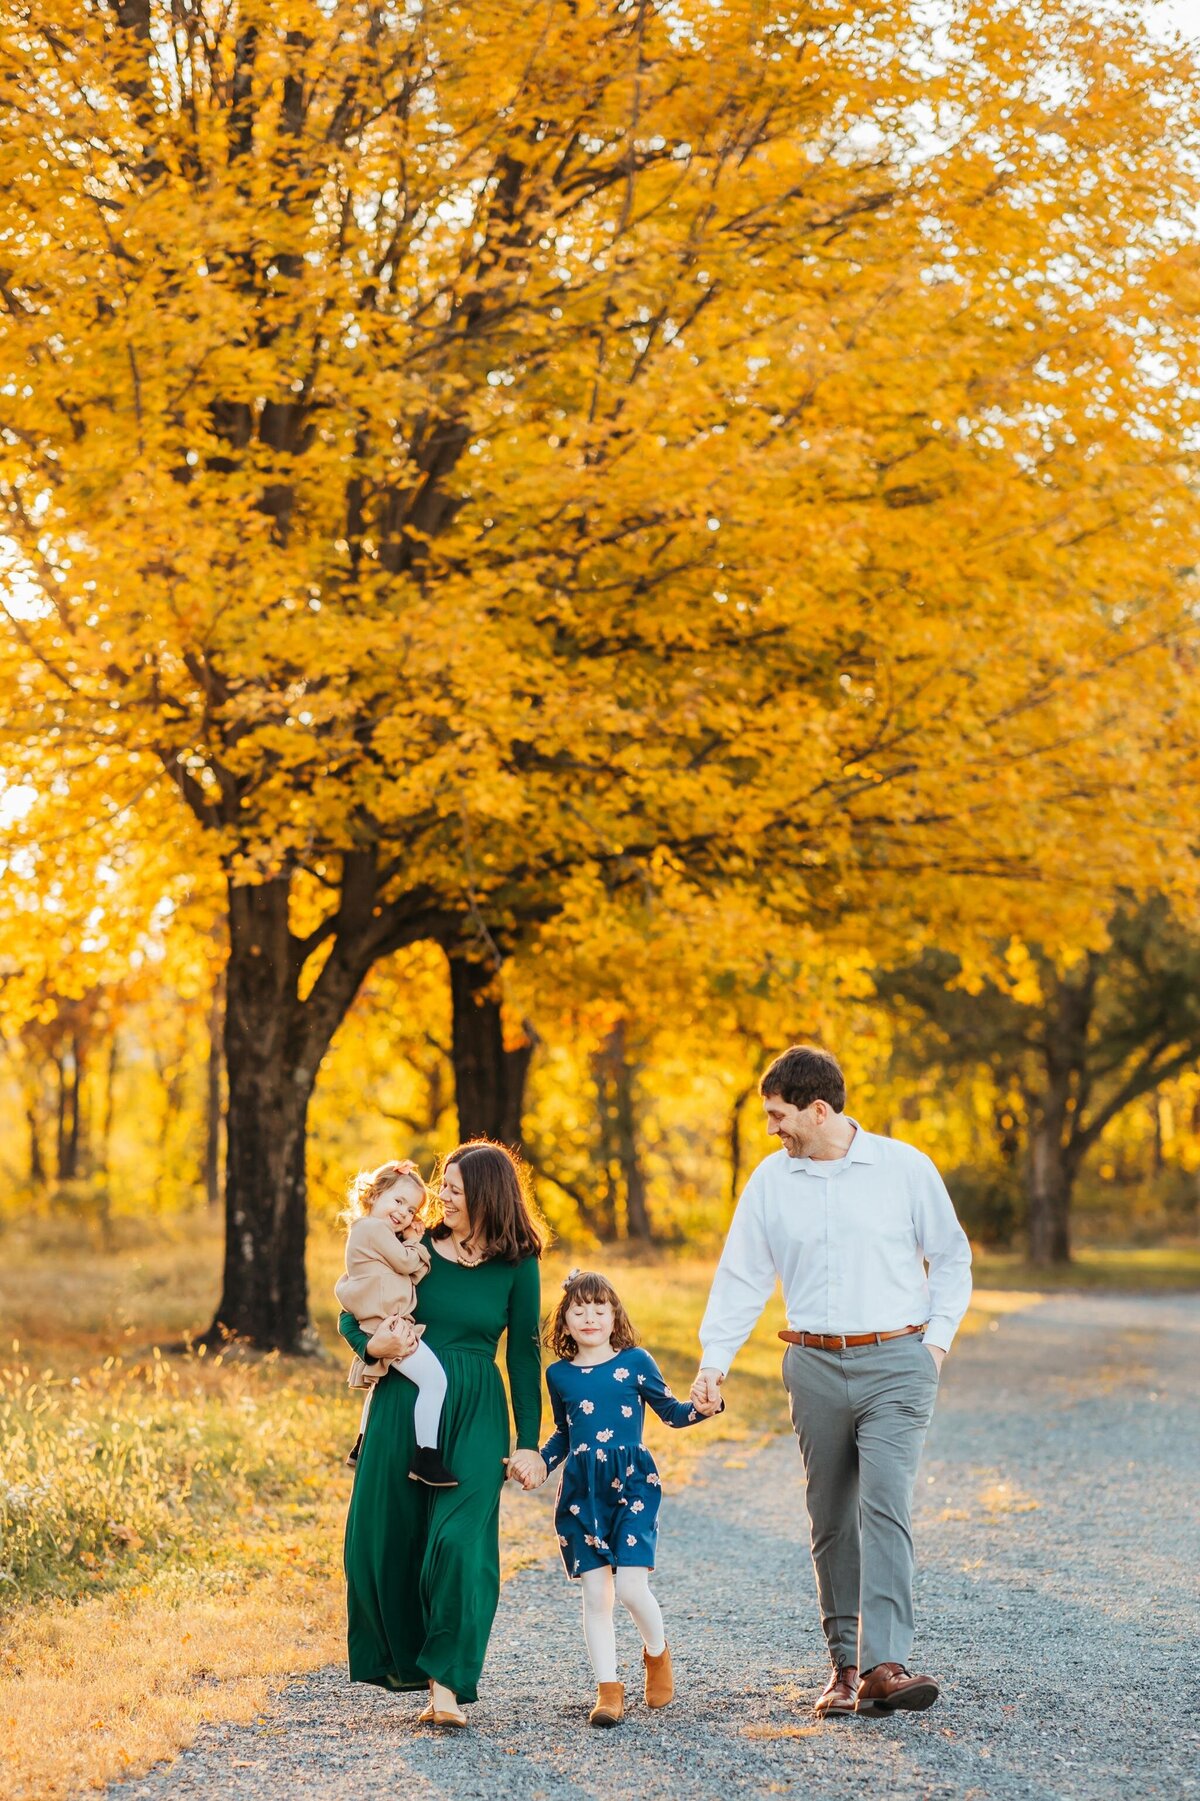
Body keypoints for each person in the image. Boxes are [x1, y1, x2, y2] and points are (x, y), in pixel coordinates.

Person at [691, 1045, 972, 1720]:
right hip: (812, 1365)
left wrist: (933, 1346)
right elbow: (743, 1276)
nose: (771, 1128)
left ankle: (886, 1663)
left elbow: (952, 1256)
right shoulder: (771, 1180)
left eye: (778, 1114)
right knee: (830, 1518)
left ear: (820, 1110)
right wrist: (713, 1359)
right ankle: (846, 1667)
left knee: (885, 1506)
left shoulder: (904, 1168)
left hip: (897, 1361)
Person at [339, 1140, 546, 1728]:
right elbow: (352, 1304)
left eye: (453, 1188)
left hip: (478, 1408)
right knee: (383, 1541)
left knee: (460, 1544)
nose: (442, 1197)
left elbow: (525, 1356)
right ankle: (414, 1671)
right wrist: (368, 1345)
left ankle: (447, 1685)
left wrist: (528, 1440)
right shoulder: (414, 1243)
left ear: (486, 1194)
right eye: (442, 1186)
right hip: (404, 1400)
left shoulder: (518, 1261)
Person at [528, 1268, 721, 1728]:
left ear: (615, 1315)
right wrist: (539, 1461)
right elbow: (563, 1433)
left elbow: (672, 1413)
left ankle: (657, 1654)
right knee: (596, 1595)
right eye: (579, 1310)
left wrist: (705, 1408)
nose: (589, 1317)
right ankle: (608, 1690)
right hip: (581, 1493)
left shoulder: (636, 1362)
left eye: (599, 1308)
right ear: (566, 1320)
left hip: (632, 1484)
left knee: (632, 1589)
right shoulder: (559, 1375)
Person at [335, 1158, 456, 1486]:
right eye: (398, 1201)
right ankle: (426, 1456)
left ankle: (362, 1443)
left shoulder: (372, 1233)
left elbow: (406, 1271)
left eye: (412, 1210)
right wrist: (414, 1242)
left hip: (381, 1322)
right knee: (435, 1382)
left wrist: (407, 1243)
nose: (404, 1213)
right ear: (374, 1195)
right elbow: (406, 1264)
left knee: (379, 1383)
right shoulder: (372, 1228)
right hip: (388, 1326)